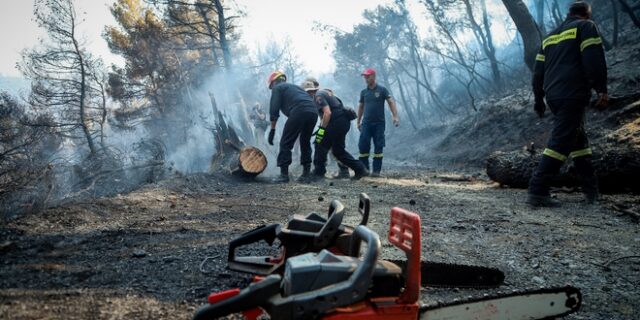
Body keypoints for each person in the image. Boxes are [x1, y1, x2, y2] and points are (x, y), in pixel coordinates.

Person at [528, 1, 608, 207]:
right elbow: (593, 59)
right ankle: (537, 190)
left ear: (569, 13)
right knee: (561, 142)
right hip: (573, 93)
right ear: (586, 14)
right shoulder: (585, 27)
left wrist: (539, 100)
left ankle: (592, 193)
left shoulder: (549, 37)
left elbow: (537, 74)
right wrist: (601, 89)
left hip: (554, 96)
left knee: (578, 143)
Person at [300, 80, 369, 181]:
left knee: (319, 143)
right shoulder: (326, 93)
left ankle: (318, 173)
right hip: (343, 122)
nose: (308, 95)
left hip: (335, 122)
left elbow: (327, 113)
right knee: (338, 151)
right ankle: (360, 169)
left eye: (308, 93)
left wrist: (321, 130)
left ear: (310, 91)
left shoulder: (318, 96)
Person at [267, 71, 318, 183]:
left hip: (299, 110)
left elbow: (274, 109)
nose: (272, 89)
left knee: (285, 142)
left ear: (274, 82)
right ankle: (306, 174)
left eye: (271, 86)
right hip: (313, 112)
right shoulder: (295, 87)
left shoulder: (277, 88)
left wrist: (272, 130)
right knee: (305, 142)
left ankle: (284, 175)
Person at [357, 68, 399, 177]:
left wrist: (395, 116)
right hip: (366, 123)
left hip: (379, 124)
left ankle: (376, 173)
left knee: (378, 147)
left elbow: (390, 102)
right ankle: (364, 171)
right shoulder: (364, 92)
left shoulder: (382, 90)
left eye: (368, 76)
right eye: (364, 77)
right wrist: (358, 121)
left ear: (373, 77)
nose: (366, 79)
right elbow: (361, 107)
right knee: (363, 146)